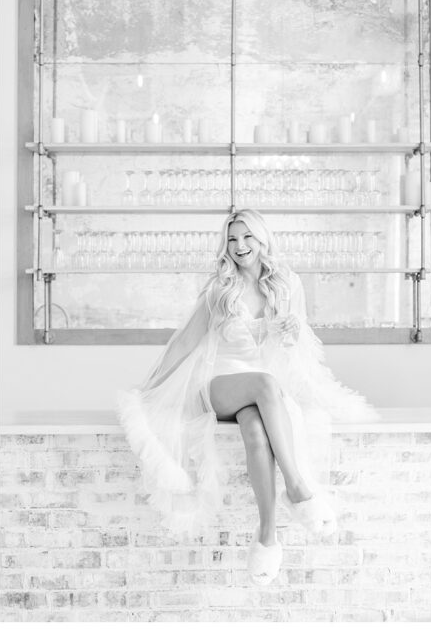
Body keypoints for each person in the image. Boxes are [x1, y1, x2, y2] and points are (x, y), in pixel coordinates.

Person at [117, 209, 376, 585]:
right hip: (219, 383)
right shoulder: (220, 290)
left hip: (259, 390)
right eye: (232, 239)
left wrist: (293, 331)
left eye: (247, 237)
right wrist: (150, 386)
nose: (239, 246)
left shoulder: (287, 285)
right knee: (267, 387)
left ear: (262, 239)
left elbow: (295, 351)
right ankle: (297, 485)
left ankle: (267, 536)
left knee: (256, 431)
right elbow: (185, 343)